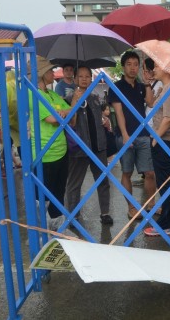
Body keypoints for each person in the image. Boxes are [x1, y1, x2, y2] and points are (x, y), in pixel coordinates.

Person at [107, 50, 156, 220]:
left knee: (149, 173)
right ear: (123, 67)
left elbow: (150, 103)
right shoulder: (116, 87)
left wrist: (148, 84)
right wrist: (126, 135)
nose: (133, 68)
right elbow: (118, 113)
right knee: (127, 172)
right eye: (129, 64)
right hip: (125, 136)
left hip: (143, 134)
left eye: (136, 64)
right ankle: (131, 207)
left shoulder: (141, 86)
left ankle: (152, 204)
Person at [142, 60, 170, 237]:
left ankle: (165, 223)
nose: (155, 69)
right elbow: (153, 105)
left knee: (166, 183)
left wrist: (155, 139)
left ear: (168, 70)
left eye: (158, 66)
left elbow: (168, 118)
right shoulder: (169, 88)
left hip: (166, 141)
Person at [28, 56, 73, 231]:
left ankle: (58, 226)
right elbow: (53, 118)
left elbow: (71, 113)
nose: (53, 73)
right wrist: (62, 113)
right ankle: (42, 230)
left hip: (61, 149)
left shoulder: (50, 93)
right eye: (50, 70)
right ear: (40, 73)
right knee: (44, 194)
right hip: (44, 152)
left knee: (59, 191)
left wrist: (65, 111)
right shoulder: (34, 94)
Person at [64, 66, 113, 225]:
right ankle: (73, 215)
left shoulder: (95, 98)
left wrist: (105, 120)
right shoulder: (69, 97)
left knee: (103, 181)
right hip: (79, 147)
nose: (84, 79)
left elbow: (99, 118)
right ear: (75, 78)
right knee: (74, 183)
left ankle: (105, 213)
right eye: (81, 76)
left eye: (87, 76)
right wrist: (74, 102)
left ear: (92, 78)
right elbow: (71, 122)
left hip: (98, 145)